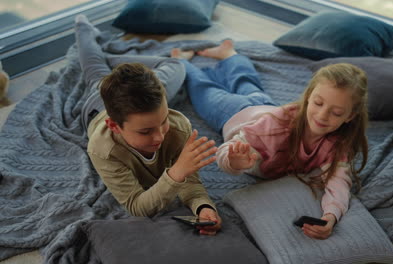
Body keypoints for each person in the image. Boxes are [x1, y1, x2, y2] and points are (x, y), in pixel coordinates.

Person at [171, 39, 368, 239]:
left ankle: (229, 54)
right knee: (203, 89)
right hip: (236, 113)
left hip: (265, 106)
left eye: (336, 112)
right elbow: (225, 150)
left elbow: (339, 185)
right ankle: (181, 61)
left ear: (350, 116)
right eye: (318, 103)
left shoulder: (337, 145)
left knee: (246, 82)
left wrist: (330, 216)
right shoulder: (274, 129)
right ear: (308, 97)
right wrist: (234, 162)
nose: (322, 116)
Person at [74, 14, 221, 235]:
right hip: (97, 101)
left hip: (135, 96)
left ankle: (119, 69)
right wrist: (175, 174)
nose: (160, 137)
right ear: (114, 127)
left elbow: (189, 181)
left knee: (176, 64)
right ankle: (82, 26)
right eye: (145, 131)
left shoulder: (178, 126)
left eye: (163, 122)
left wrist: (203, 206)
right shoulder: (103, 150)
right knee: (93, 66)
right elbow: (137, 206)